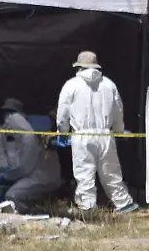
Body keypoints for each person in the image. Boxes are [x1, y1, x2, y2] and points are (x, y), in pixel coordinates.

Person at [55, 51, 139, 214]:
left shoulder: (71, 85)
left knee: (84, 173)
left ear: (79, 67)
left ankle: (87, 207)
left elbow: (62, 113)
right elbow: (118, 111)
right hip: (105, 135)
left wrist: (62, 132)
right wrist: (119, 131)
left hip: (82, 136)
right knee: (111, 171)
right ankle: (124, 203)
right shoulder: (109, 84)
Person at [0, 98, 63, 213]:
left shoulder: (36, 129)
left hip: (39, 175)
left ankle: (32, 211)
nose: (8, 117)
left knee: (12, 195)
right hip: (17, 173)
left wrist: (11, 175)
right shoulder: (2, 131)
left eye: (11, 114)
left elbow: (27, 163)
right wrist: (5, 170)